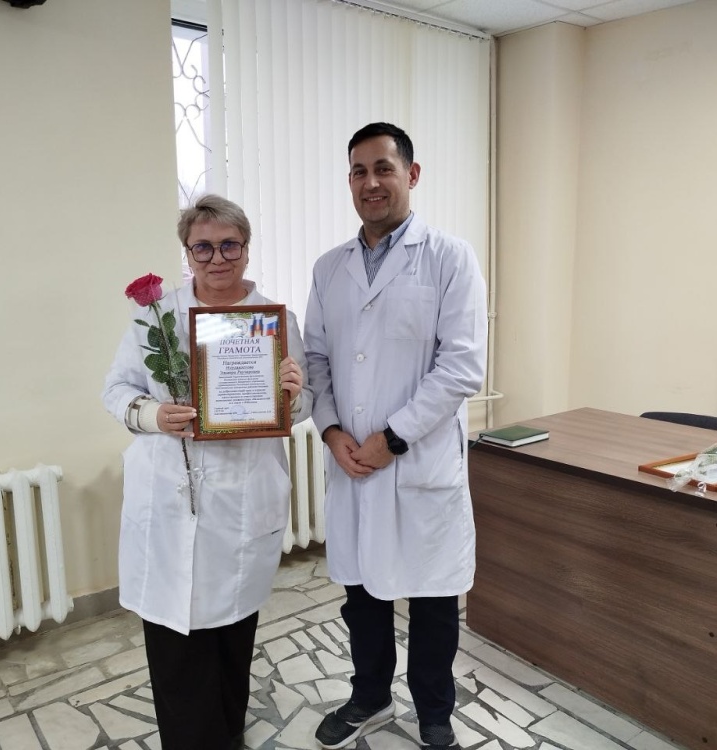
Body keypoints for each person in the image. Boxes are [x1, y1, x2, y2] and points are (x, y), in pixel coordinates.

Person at [102, 194, 312, 750]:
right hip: (169, 499)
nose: (217, 258)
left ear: (246, 249)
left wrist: (293, 395)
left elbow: (304, 404)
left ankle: (228, 730)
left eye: (229, 245)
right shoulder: (156, 319)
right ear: (187, 252)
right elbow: (116, 390)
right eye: (203, 247)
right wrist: (152, 414)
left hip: (241, 501)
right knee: (175, 639)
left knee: (232, 633)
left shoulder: (276, 321)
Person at [303, 123, 487, 750]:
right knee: (362, 596)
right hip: (352, 460)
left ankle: (434, 712)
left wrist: (393, 439)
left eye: (383, 168)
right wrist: (331, 430)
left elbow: (461, 366)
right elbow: (317, 359)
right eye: (359, 171)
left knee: (432, 600)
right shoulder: (329, 268)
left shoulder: (450, 258)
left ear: (411, 174)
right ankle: (369, 694)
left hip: (417, 461)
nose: (371, 182)